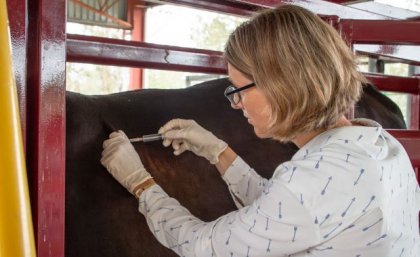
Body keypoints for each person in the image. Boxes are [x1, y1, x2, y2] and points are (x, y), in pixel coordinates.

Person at [100, 5, 420, 257]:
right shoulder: (379, 146)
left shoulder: (310, 182)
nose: (236, 104)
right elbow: (281, 212)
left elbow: (203, 247)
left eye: (239, 89)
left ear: (282, 84)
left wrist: (141, 184)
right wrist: (217, 151)